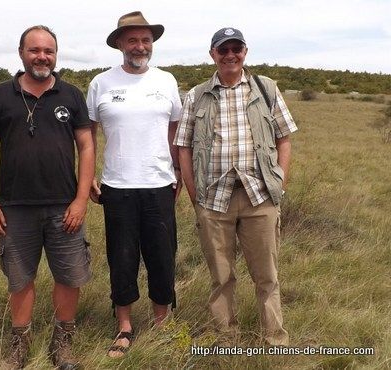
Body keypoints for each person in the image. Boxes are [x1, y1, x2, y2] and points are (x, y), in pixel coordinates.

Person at [0, 25, 94, 369]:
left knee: (70, 276)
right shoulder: (0, 95)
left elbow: (86, 146)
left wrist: (81, 200)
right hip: (14, 207)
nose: (42, 56)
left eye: (49, 51)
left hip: (64, 205)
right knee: (20, 277)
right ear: (21, 52)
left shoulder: (71, 95)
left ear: (56, 55)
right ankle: (19, 346)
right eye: (35, 50)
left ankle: (63, 345)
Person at [174, 27, 297, 346]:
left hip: (260, 197)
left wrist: (279, 183)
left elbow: (284, 138)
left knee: (267, 276)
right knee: (222, 276)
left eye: (236, 48)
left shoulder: (265, 88)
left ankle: (274, 340)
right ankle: (226, 338)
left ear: (245, 51)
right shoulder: (197, 94)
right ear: (212, 54)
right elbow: (183, 147)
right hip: (213, 200)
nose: (230, 55)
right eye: (223, 49)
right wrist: (194, 195)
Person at [86, 11, 182, 358]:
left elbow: (175, 132)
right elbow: (88, 136)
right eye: (133, 40)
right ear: (120, 44)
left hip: (159, 184)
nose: (140, 46)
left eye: (146, 40)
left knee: (162, 256)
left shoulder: (167, 81)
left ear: (151, 44)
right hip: (117, 186)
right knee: (121, 257)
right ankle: (124, 326)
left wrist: (179, 172)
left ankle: (162, 321)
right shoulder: (101, 83)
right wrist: (89, 175)